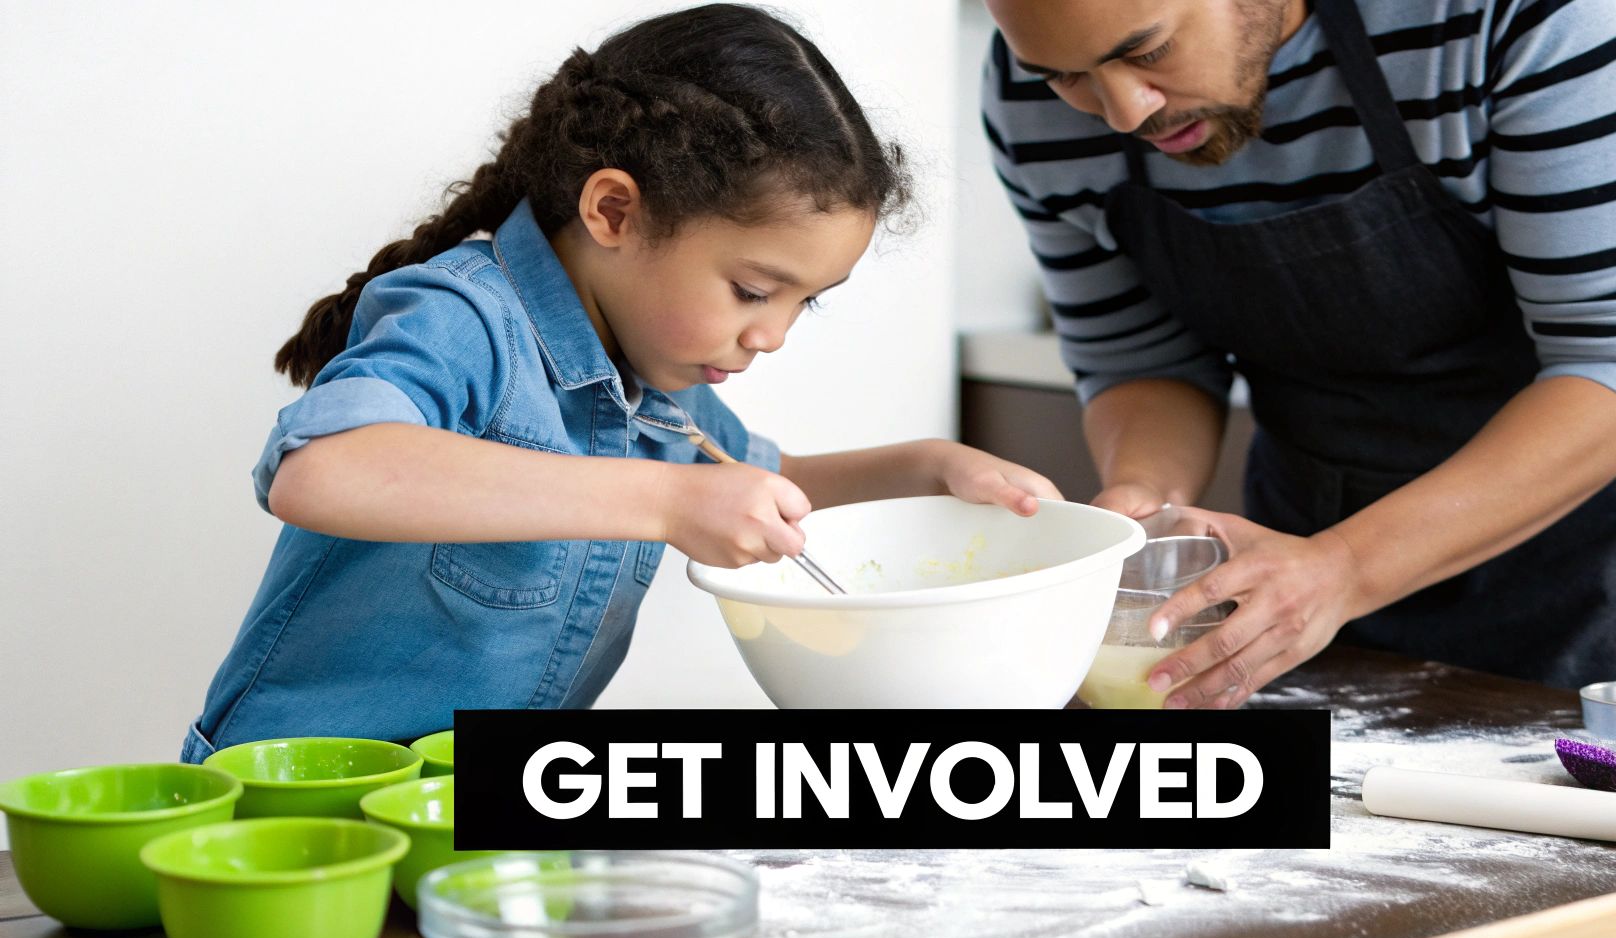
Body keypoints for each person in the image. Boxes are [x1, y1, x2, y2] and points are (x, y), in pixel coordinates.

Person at [179, 4, 1059, 762]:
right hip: (299, 802)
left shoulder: (652, 378)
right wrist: (665, 501)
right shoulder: (466, 315)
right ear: (613, 212)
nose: (773, 334)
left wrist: (928, 464)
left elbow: (763, 492)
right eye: (753, 290)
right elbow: (322, 471)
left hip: (470, 812)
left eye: (805, 304)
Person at [981, 0, 1616, 713]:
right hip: (1315, 522)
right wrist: (1143, 507)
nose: (1121, 112)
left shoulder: (1529, 13)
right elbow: (1142, 359)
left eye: (1148, 52)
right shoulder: (1028, 97)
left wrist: (1345, 570)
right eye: (1067, 77)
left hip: (1606, 545)